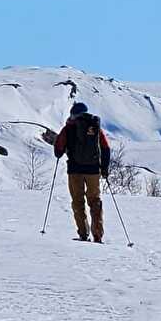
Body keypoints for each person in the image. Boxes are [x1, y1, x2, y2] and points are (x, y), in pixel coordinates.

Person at [54, 102, 111, 243]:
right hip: (93, 171)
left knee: (78, 201)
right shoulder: (95, 127)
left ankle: (83, 234)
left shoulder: (68, 128)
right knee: (95, 201)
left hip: (75, 170)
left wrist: (61, 152)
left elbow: (58, 150)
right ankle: (97, 235)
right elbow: (106, 148)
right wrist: (104, 169)